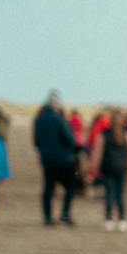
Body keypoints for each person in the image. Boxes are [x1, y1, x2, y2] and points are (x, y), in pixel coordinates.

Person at [32, 90, 81, 226]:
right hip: (64, 160)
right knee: (70, 187)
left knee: (48, 188)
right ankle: (65, 214)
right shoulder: (60, 120)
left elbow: (36, 141)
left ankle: (48, 217)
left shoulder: (39, 121)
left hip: (47, 160)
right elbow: (69, 139)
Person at [96, 114, 127, 231]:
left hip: (108, 168)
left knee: (109, 194)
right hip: (122, 168)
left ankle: (109, 220)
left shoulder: (104, 134)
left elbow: (98, 152)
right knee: (120, 194)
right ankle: (122, 220)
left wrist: (94, 166)